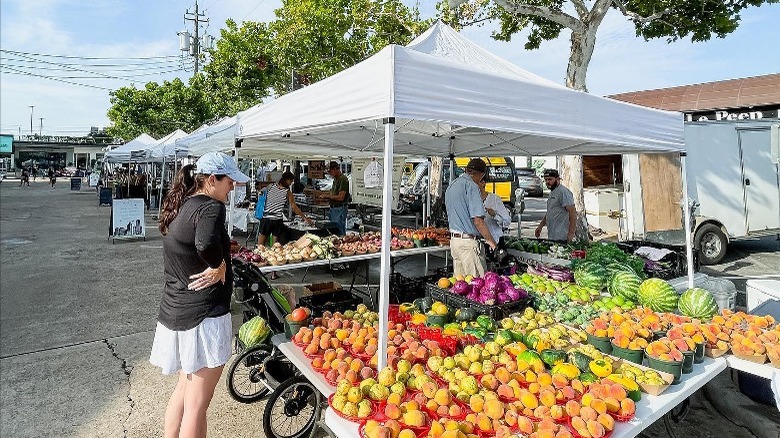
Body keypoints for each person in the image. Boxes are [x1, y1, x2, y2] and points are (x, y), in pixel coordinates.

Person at [150, 151, 250, 438]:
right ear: (210, 180)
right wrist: (219, 265)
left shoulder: (181, 205)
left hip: (176, 312)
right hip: (204, 316)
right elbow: (205, 243)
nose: (232, 187)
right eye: (229, 181)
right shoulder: (210, 207)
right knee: (197, 405)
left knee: (184, 390)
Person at [444, 158, 497, 277]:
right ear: (481, 174)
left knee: (460, 286)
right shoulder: (471, 186)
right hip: (468, 245)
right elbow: (478, 221)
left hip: (455, 242)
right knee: (476, 287)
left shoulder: (452, 185)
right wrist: (493, 244)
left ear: (466, 170)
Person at [258, 171, 313, 247]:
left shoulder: (270, 186)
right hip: (277, 221)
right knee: (275, 247)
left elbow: (260, 193)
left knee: (260, 245)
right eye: (291, 181)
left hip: (266, 219)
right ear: (287, 179)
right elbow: (294, 207)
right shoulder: (287, 192)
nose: (291, 183)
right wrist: (304, 217)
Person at [535, 169, 576, 243]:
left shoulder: (563, 192)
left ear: (557, 179)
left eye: (550, 179)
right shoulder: (552, 192)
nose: (547, 182)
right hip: (552, 235)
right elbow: (550, 212)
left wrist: (570, 235)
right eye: (546, 180)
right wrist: (540, 226)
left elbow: (573, 214)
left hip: (562, 237)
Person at [316, 161, 350, 236]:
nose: (329, 174)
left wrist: (327, 196)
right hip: (334, 209)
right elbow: (333, 192)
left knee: (339, 230)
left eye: (330, 171)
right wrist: (323, 195)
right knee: (333, 231)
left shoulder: (343, 179)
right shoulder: (336, 179)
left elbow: (341, 197)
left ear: (335, 169)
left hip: (339, 208)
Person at [477, 178, 512, 244]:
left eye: (475, 183)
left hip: (495, 241)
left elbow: (507, 221)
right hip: (478, 242)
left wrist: (495, 215)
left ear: (483, 183)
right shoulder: (471, 200)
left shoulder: (495, 199)